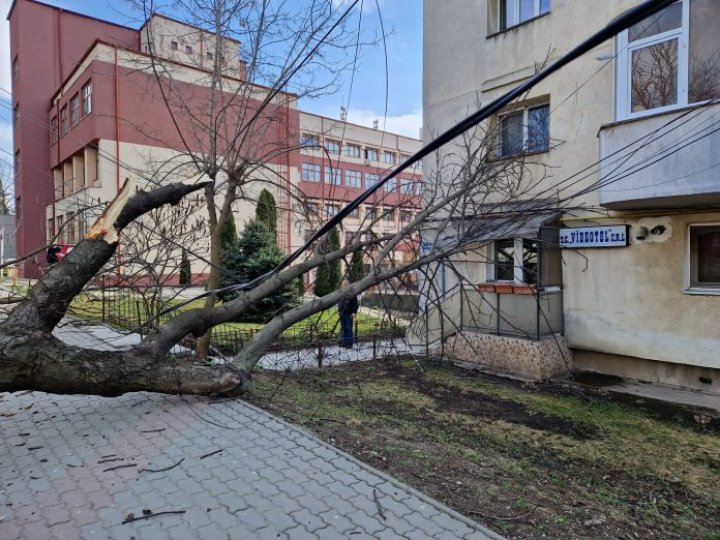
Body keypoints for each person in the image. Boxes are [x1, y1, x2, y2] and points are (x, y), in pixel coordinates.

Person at [337, 280, 359, 348]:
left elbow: (356, 305)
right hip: (341, 313)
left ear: (349, 285)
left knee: (349, 329)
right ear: (342, 285)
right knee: (343, 329)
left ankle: (349, 344)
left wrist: (354, 313)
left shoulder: (352, 293)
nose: (345, 285)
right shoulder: (341, 293)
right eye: (344, 284)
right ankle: (345, 343)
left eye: (346, 284)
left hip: (348, 314)